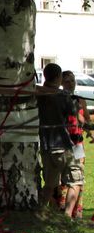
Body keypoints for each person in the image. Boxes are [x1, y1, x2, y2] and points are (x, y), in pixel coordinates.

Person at [38, 64, 84, 216]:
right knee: (75, 179)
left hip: (46, 146)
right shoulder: (64, 96)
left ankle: (41, 213)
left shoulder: (38, 93)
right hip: (63, 145)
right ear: (59, 78)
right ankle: (67, 215)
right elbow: (76, 116)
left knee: (50, 184)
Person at [62, 71, 87, 218]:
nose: (70, 83)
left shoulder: (80, 100)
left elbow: (87, 121)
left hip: (78, 143)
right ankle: (59, 210)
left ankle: (74, 213)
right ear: (61, 83)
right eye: (66, 81)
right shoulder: (58, 100)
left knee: (77, 177)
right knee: (62, 179)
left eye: (72, 80)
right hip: (62, 142)